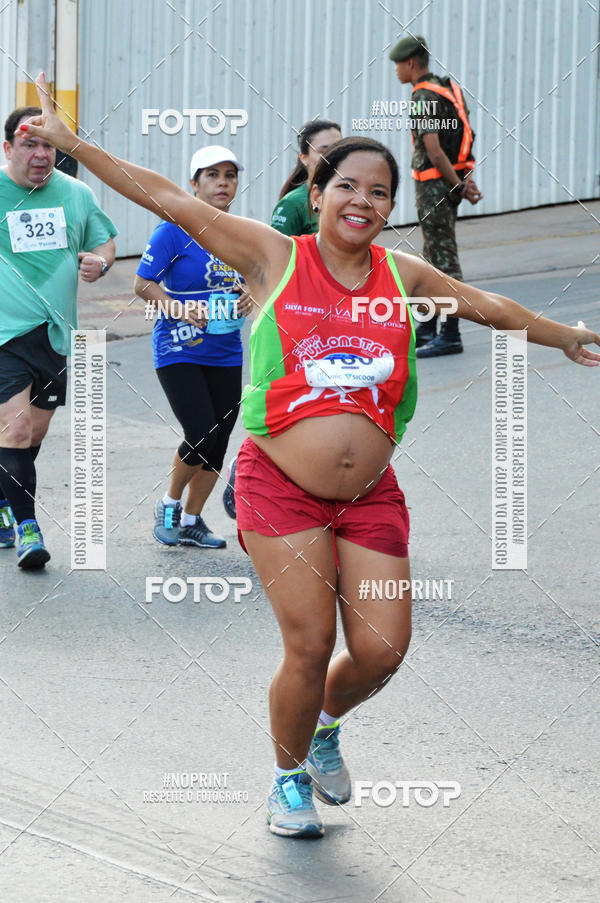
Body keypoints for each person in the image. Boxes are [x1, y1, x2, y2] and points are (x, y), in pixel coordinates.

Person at [25, 74, 599, 839]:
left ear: (392, 206)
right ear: (319, 190)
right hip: (279, 487)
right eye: (348, 186)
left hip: (369, 493)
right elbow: (165, 196)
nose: (363, 201)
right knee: (311, 641)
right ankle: (287, 778)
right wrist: (72, 147)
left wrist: (564, 334)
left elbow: (483, 306)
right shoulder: (272, 255)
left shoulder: (402, 277)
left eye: (381, 192)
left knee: (383, 650)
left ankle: (325, 725)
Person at [0, 105, 117, 569]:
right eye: (30, 143)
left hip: (56, 336)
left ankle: (6, 498)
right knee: (16, 427)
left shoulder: (76, 194)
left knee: (31, 437)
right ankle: (28, 527)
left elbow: (105, 241)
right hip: (5, 333)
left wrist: (102, 262)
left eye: (49, 144)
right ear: (8, 148)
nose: (41, 154)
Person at [134, 145, 251, 548]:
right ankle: (168, 504)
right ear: (194, 184)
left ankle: (193, 519)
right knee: (200, 432)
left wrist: (250, 293)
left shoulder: (239, 231)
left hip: (226, 349)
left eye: (229, 175)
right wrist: (179, 310)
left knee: (219, 440)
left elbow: (257, 278)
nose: (222, 183)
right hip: (178, 347)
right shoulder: (173, 229)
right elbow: (142, 283)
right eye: (212, 175)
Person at [390, 34, 482, 357]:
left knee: (444, 261)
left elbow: (436, 151)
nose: (396, 71)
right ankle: (428, 326)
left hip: (434, 188)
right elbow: (462, 139)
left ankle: (451, 333)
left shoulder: (422, 98)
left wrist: (456, 185)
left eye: (398, 65)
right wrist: (463, 182)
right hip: (447, 185)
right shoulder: (448, 89)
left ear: (411, 63)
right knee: (432, 257)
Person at [270, 120, 341, 236]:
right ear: (304, 158)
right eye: (323, 151)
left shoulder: (353, 199)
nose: (333, 156)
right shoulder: (292, 204)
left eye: (338, 149)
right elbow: (275, 251)